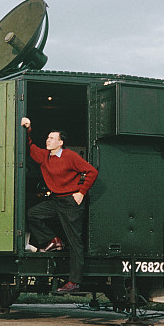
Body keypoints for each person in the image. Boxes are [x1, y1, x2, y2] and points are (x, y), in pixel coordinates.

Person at [21, 117, 98, 293]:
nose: (48, 140)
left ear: (60, 142)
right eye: (47, 137)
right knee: (33, 214)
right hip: (56, 200)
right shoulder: (44, 156)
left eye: (52, 138)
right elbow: (29, 145)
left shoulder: (70, 156)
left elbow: (91, 171)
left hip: (71, 202)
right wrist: (28, 128)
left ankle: (74, 282)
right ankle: (54, 240)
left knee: (75, 242)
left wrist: (81, 192)